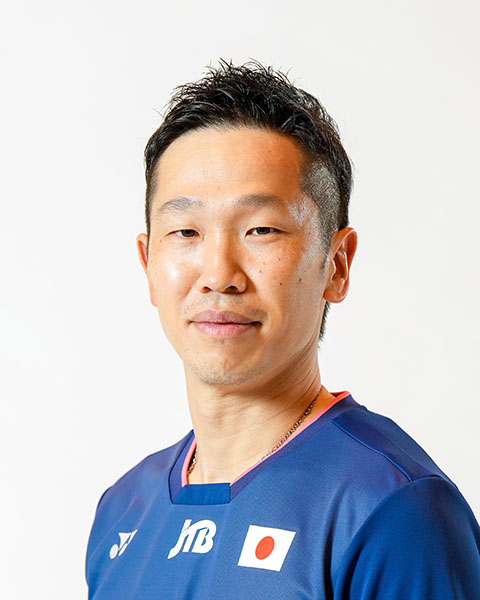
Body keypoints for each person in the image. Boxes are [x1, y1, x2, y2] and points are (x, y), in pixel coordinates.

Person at [85, 60, 480, 599]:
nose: (219, 274)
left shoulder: (390, 507)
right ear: (147, 263)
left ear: (336, 265)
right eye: (186, 231)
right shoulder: (124, 510)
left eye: (261, 229)